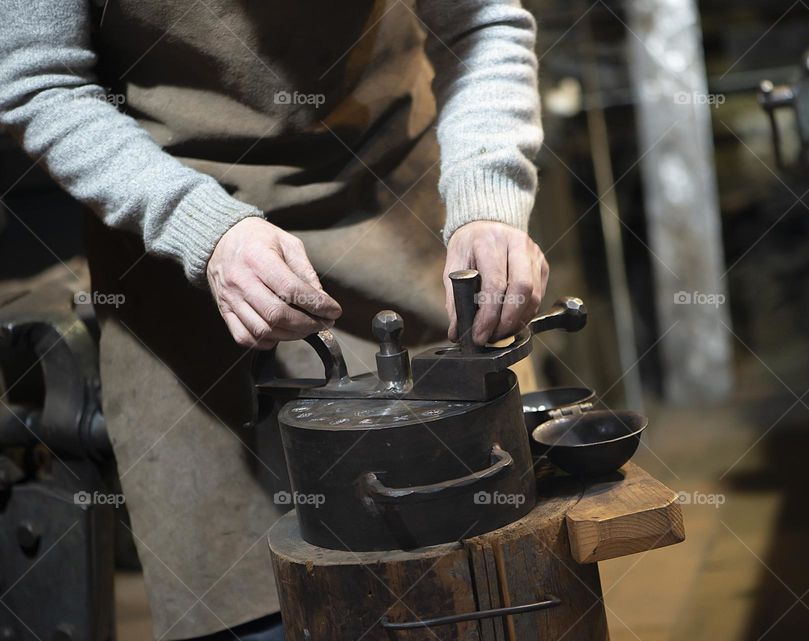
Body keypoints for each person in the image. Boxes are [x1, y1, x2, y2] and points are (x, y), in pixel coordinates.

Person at [0, 0, 548, 638]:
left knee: (477, 582)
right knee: (257, 607)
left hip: (391, 208)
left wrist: (488, 195)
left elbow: (482, 21)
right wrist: (201, 227)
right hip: (179, 252)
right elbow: (41, 83)